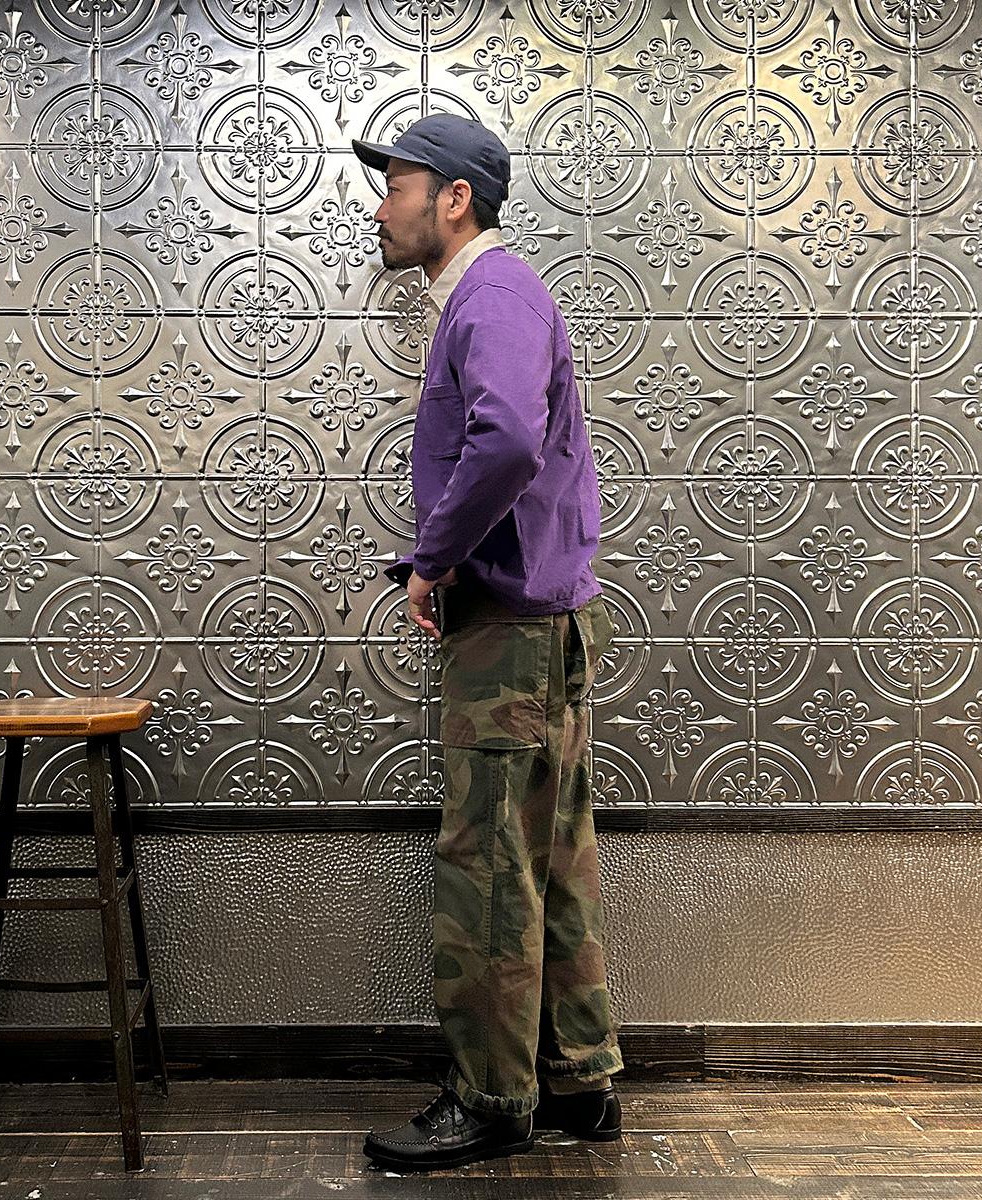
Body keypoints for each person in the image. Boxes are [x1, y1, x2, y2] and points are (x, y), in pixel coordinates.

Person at [350, 114, 624, 1172]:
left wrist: (432, 560)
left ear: (452, 199)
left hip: (511, 631)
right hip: (538, 621)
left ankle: (494, 1099)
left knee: (491, 864)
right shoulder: (498, 295)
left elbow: (506, 439)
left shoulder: (492, 294)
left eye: (397, 187)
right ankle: (580, 1082)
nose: (382, 209)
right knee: (549, 853)